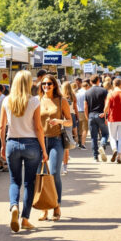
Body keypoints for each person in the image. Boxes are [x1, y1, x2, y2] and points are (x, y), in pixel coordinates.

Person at [0, 70, 46, 232]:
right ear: (27, 84)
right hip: (31, 143)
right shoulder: (34, 102)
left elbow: (1, 127)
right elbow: (39, 128)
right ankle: (25, 218)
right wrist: (44, 150)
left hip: (12, 143)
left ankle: (13, 207)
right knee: (29, 183)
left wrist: (3, 145)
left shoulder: (7, 100)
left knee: (14, 181)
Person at [39, 75, 72, 221]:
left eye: (49, 84)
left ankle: (56, 205)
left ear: (54, 85)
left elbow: (70, 122)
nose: (46, 86)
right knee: (41, 175)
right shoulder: (37, 100)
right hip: (39, 141)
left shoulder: (61, 101)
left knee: (53, 173)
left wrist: (59, 121)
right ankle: (44, 207)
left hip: (56, 140)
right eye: (44, 84)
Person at [104, 78, 121, 163]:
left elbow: (107, 107)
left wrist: (104, 114)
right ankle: (119, 156)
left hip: (112, 118)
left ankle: (114, 149)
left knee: (112, 137)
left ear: (113, 84)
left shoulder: (110, 94)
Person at [84, 75, 109, 161]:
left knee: (93, 137)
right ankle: (102, 145)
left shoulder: (87, 92)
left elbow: (85, 106)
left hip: (91, 115)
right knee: (105, 133)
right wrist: (105, 114)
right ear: (98, 80)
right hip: (101, 115)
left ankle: (95, 156)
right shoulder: (104, 91)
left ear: (90, 82)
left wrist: (87, 117)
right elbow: (107, 103)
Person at [60, 81, 78, 171]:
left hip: (61, 119)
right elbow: (75, 107)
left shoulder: (60, 97)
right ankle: (65, 165)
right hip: (71, 116)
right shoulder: (73, 95)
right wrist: (77, 116)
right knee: (67, 139)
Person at [75, 79, 88, 149]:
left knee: (79, 128)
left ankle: (78, 142)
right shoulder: (86, 93)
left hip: (77, 111)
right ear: (87, 86)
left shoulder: (76, 92)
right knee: (85, 129)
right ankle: (82, 143)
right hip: (84, 111)